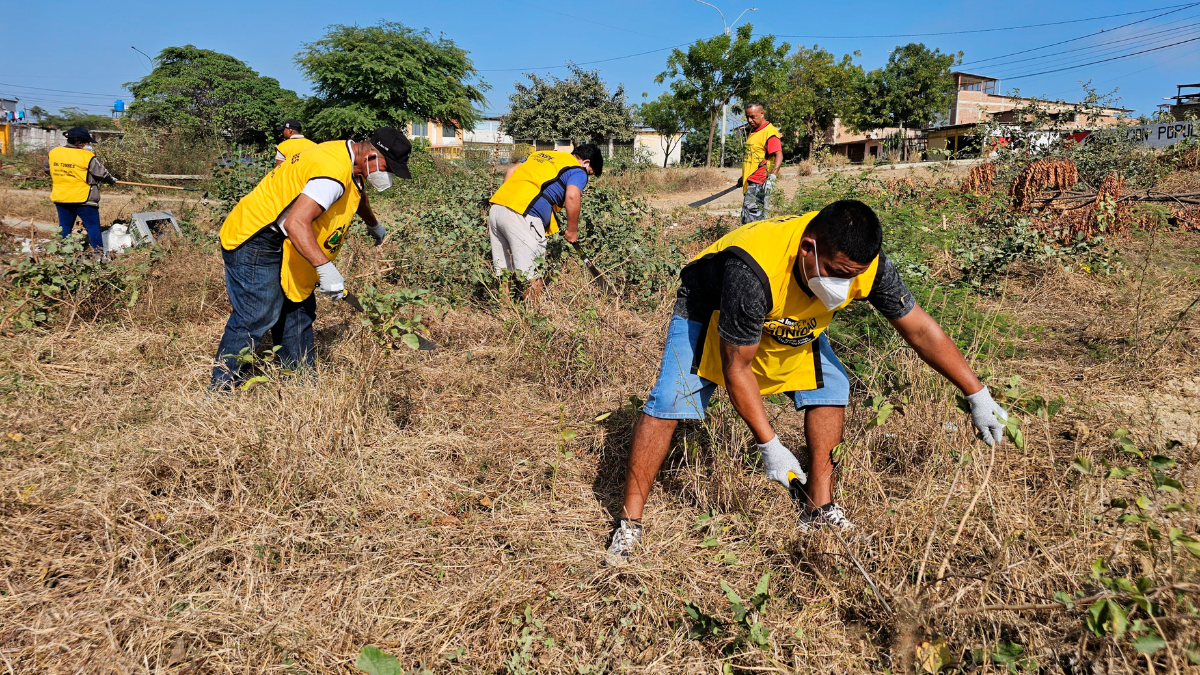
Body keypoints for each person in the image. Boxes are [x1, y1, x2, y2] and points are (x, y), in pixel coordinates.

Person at [603, 200, 1010, 565]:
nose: (845, 287)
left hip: (790, 317)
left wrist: (976, 392)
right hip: (710, 304)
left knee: (831, 387)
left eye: (854, 276)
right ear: (807, 249)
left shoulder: (865, 264)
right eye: (837, 274)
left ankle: (819, 509)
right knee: (671, 401)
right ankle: (629, 523)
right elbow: (736, 367)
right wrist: (770, 445)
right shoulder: (754, 268)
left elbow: (920, 330)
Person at [210, 128, 412, 389]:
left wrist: (373, 224)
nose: (388, 175)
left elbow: (357, 191)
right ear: (372, 155)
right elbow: (296, 223)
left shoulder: (350, 156)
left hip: (284, 241)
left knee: (298, 306)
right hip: (256, 237)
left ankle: (300, 381)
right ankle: (222, 386)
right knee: (257, 313)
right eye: (388, 168)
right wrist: (325, 268)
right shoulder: (331, 173)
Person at [487, 143, 603, 299]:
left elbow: (510, 171)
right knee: (533, 274)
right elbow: (573, 195)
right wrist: (572, 231)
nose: (586, 176)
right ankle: (531, 319)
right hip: (523, 214)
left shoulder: (541, 155)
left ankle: (505, 313)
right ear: (586, 162)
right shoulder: (578, 170)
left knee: (505, 272)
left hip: (497, 207)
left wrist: (510, 201)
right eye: (589, 173)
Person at [45, 127, 116, 253]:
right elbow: (101, 174)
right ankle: (98, 255)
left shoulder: (54, 152)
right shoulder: (86, 156)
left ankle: (63, 254)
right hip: (84, 197)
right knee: (93, 226)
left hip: (61, 197)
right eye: (85, 142)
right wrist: (111, 180)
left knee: (65, 226)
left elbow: (47, 169)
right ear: (79, 142)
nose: (86, 145)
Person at [740, 102, 783, 224]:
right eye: (747, 116)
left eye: (753, 116)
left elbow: (778, 154)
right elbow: (754, 157)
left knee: (752, 220)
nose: (749, 120)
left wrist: (772, 177)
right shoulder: (753, 131)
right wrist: (743, 177)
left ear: (762, 113)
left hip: (759, 182)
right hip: (750, 181)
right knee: (748, 217)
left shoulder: (769, 132)